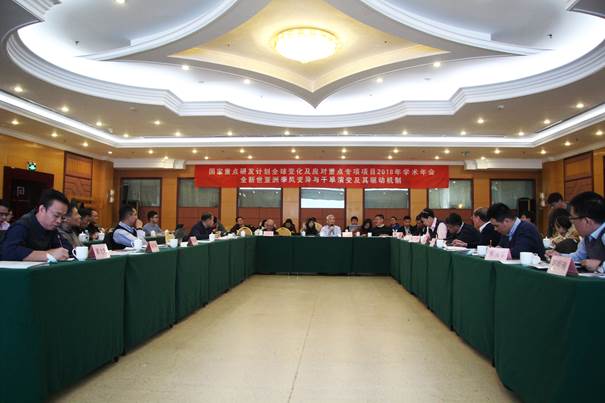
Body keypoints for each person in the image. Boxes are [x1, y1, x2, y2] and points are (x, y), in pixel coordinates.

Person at [0, 189, 69, 261]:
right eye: (56, 215)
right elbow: (8, 252)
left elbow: (66, 248)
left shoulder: (51, 228)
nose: (59, 221)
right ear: (42, 209)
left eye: (62, 217)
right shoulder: (21, 226)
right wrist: (48, 255)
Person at [548, 192, 605, 272]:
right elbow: (579, 257)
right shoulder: (587, 236)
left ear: (587, 221)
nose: (572, 222)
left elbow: (599, 265)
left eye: (573, 218)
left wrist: (600, 265)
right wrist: (559, 256)